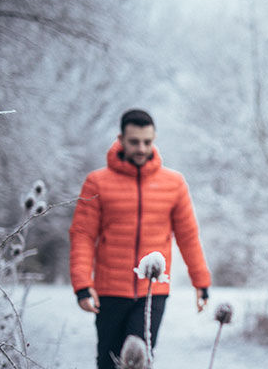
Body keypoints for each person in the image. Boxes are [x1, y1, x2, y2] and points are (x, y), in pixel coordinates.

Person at [69, 109, 212, 369]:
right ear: (121, 138)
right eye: (134, 141)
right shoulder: (97, 183)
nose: (141, 148)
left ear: (154, 138)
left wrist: (201, 283)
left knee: (139, 362)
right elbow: (82, 236)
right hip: (110, 291)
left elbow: (188, 236)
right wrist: (82, 284)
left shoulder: (174, 183)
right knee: (109, 362)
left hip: (153, 291)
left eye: (147, 141)